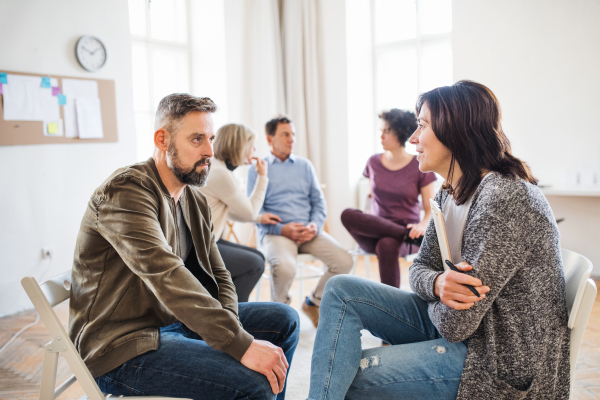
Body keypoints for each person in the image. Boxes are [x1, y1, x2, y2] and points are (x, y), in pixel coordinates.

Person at [307, 81, 570, 399]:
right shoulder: (451, 193)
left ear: (455, 131)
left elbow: (456, 325)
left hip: (496, 365)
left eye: (422, 126)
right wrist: (437, 285)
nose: (413, 138)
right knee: (340, 290)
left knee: (350, 372)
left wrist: (436, 288)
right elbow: (419, 271)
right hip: (470, 336)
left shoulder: (503, 197)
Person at [69, 94, 299, 400]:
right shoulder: (125, 192)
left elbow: (219, 274)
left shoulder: (193, 198)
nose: (209, 151)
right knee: (252, 384)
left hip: (172, 324)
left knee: (285, 320)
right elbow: (167, 276)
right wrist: (238, 344)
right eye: (196, 139)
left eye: (211, 138)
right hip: (120, 346)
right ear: (162, 140)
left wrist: (232, 331)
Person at [248, 116, 353, 327]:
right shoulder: (257, 169)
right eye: (285, 134)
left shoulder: (305, 165)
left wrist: (314, 225)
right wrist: (282, 229)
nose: (291, 139)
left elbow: (319, 202)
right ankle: (280, 315)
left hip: (308, 231)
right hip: (277, 233)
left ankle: (313, 302)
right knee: (286, 267)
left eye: (293, 134)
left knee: (345, 261)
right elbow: (253, 211)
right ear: (270, 140)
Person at [341, 108, 436, 288]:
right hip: (376, 230)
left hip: (407, 232)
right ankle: (403, 234)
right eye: (381, 131)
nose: (381, 136)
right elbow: (371, 199)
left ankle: (390, 306)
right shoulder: (373, 162)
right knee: (347, 214)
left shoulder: (419, 164)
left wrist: (422, 226)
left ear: (400, 133)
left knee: (387, 244)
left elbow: (429, 207)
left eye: (387, 131)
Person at [199, 123, 282, 302]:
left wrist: (260, 218)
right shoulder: (221, 173)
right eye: (251, 145)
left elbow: (225, 210)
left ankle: (227, 305)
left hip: (208, 240)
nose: (254, 150)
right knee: (254, 264)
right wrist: (263, 177)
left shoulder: (216, 168)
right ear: (238, 146)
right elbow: (249, 212)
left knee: (258, 257)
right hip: (201, 247)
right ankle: (236, 315)